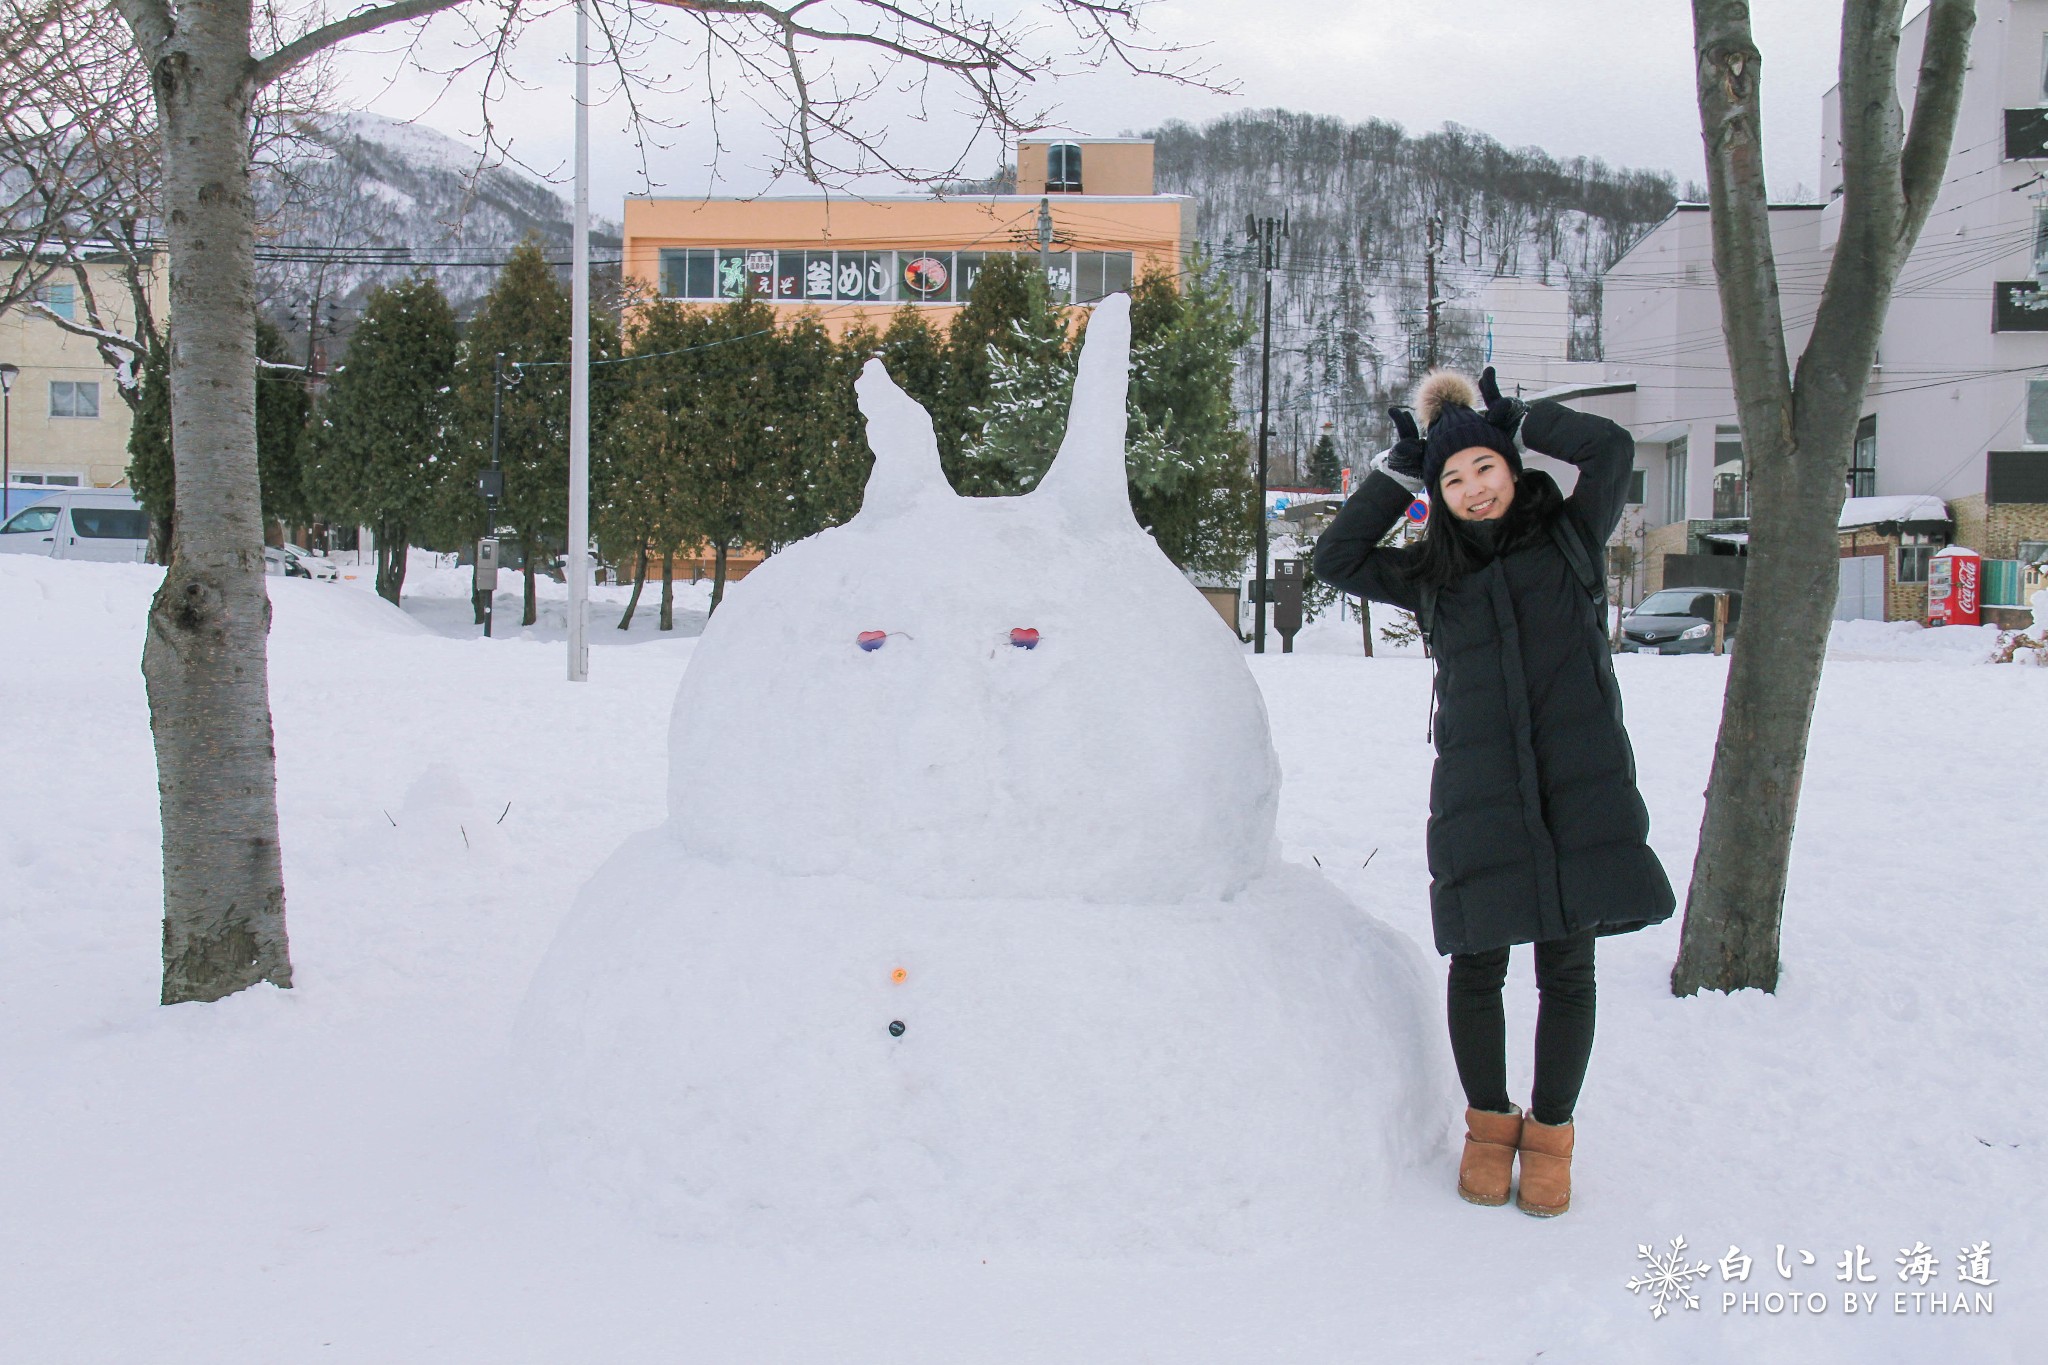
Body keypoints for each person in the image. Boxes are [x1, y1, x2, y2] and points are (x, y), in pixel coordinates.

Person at [1311, 367, 1675, 1218]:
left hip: (1578, 784)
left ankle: (1551, 1136)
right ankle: (1487, 1128)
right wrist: (1400, 473)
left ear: (1511, 467)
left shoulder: (1572, 536)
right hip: (1480, 792)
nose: (1473, 490)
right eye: (1452, 480)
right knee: (1477, 964)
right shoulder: (1433, 573)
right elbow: (1337, 557)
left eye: (1485, 468)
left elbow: (1610, 447)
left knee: (1567, 968)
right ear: (1436, 496)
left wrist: (1520, 420)